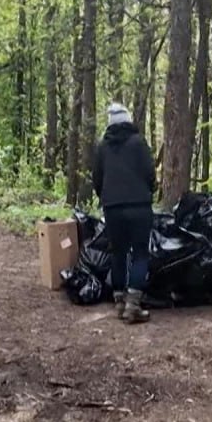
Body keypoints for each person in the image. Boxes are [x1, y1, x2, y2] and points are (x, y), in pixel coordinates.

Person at [92, 102, 155, 324]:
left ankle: (119, 301)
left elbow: (97, 178)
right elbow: (150, 172)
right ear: (128, 120)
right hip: (139, 205)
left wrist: (106, 198)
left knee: (117, 252)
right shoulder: (139, 143)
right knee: (139, 254)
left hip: (113, 207)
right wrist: (148, 192)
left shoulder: (102, 147)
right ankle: (133, 305)